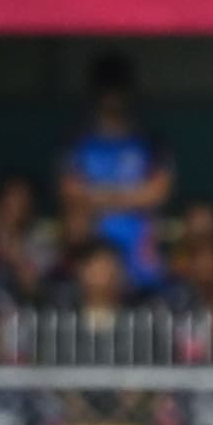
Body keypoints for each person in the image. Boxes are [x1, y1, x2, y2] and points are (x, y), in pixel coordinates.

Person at [59, 51, 173, 293]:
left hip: (139, 254)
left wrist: (98, 196)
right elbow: (71, 192)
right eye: (107, 88)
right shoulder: (77, 142)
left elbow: (157, 193)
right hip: (92, 250)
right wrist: (131, 196)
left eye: (119, 88)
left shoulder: (149, 143)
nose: (113, 96)